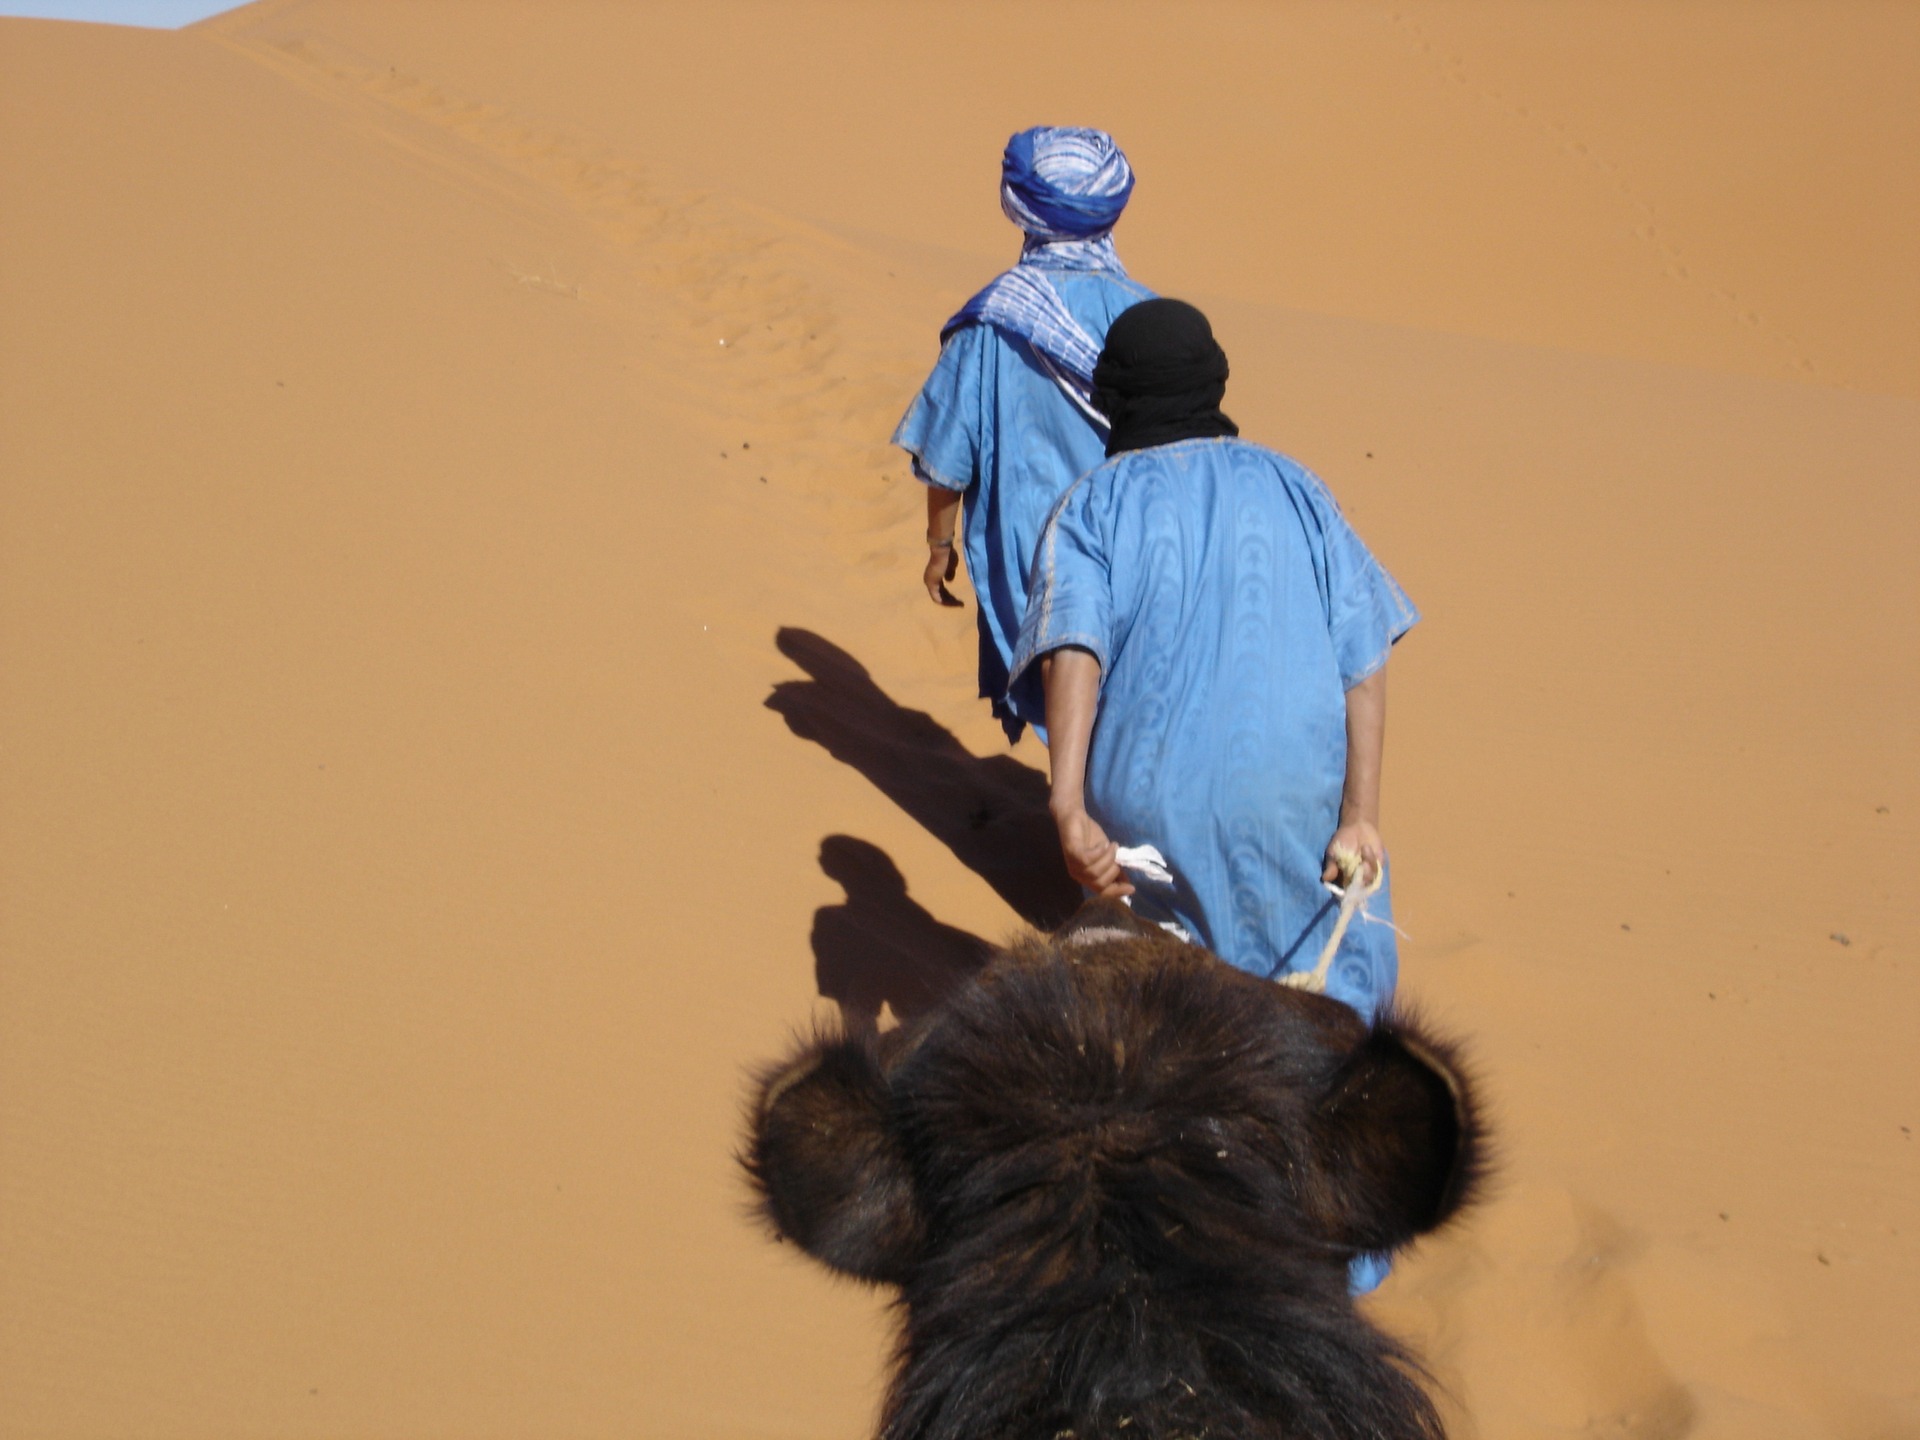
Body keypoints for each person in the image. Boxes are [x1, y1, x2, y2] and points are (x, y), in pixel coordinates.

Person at [1007, 299, 1419, 1023]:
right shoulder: (1296, 487)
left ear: (1112, 397)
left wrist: (1066, 803)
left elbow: (1072, 649)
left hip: (1151, 820)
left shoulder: (1091, 505)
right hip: (1293, 804)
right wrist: (1360, 817)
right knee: (1329, 1024)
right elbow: (1364, 652)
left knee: (1166, 1029)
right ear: (1214, 381)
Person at [892, 125, 1153, 742]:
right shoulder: (1151, 319)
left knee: (1073, 721)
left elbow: (946, 457)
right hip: (1140, 554)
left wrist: (939, 547)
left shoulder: (993, 320)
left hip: (1038, 561)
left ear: (1021, 207)